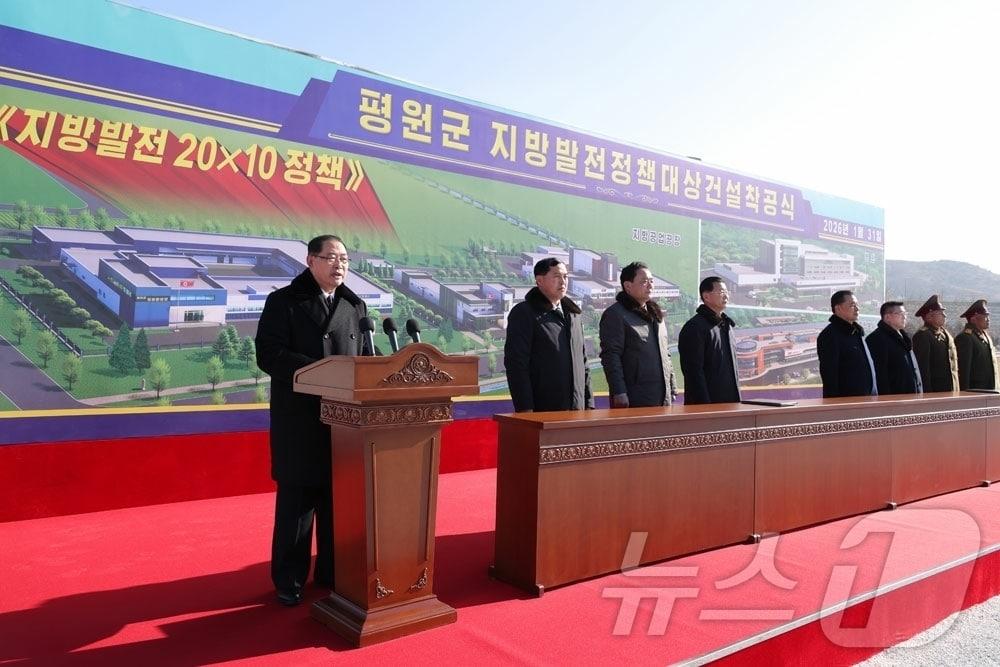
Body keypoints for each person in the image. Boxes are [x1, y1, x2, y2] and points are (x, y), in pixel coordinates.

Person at [255, 234, 370, 607]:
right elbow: (269, 354)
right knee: (298, 507)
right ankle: (289, 580)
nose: (340, 265)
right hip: (300, 420)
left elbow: (369, 358)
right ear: (310, 261)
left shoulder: (354, 306)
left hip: (344, 423)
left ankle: (331, 571)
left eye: (345, 259)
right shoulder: (284, 302)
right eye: (331, 257)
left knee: (338, 504)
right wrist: (322, 372)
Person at [504, 257, 593, 412]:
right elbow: (516, 365)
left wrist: (589, 403)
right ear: (539, 280)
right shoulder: (525, 313)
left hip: (577, 410)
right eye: (557, 276)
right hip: (543, 410)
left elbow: (583, 363)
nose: (563, 282)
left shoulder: (573, 315)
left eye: (565, 277)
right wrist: (525, 408)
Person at [599, 261, 677, 408]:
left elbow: (665, 353)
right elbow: (611, 356)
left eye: (651, 281)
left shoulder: (656, 314)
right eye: (644, 282)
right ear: (628, 286)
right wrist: (619, 392)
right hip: (634, 397)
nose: (650, 286)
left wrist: (672, 385)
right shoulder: (616, 315)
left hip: (662, 396)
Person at [677, 276, 741, 404]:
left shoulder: (726, 325)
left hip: (730, 403)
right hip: (707, 406)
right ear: (706, 296)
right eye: (721, 292)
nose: (726, 296)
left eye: (727, 292)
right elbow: (693, 372)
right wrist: (704, 407)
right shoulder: (695, 327)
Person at [816, 290, 877, 398]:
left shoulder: (857, 332)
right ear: (838, 308)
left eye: (857, 305)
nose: (857, 309)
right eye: (852, 305)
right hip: (848, 405)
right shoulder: (830, 336)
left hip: (869, 401)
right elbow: (830, 376)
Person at [865, 301, 922, 395]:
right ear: (887, 317)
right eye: (900, 314)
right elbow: (880, 374)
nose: (904, 317)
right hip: (894, 399)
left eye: (905, 313)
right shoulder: (876, 339)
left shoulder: (904, 337)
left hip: (912, 396)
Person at [911, 294, 959, 392]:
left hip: (951, 389)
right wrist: (927, 395)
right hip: (936, 391)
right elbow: (923, 369)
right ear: (929, 317)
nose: (944, 315)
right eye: (940, 313)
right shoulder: (923, 336)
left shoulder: (945, 333)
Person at [955, 299, 999, 391]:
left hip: (990, 389)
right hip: (975, 390)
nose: (988, 319)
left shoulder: (985, 335)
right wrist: (964, 393)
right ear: (973, 319)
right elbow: (964, 370)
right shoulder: (966, 338)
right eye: (985, 317)